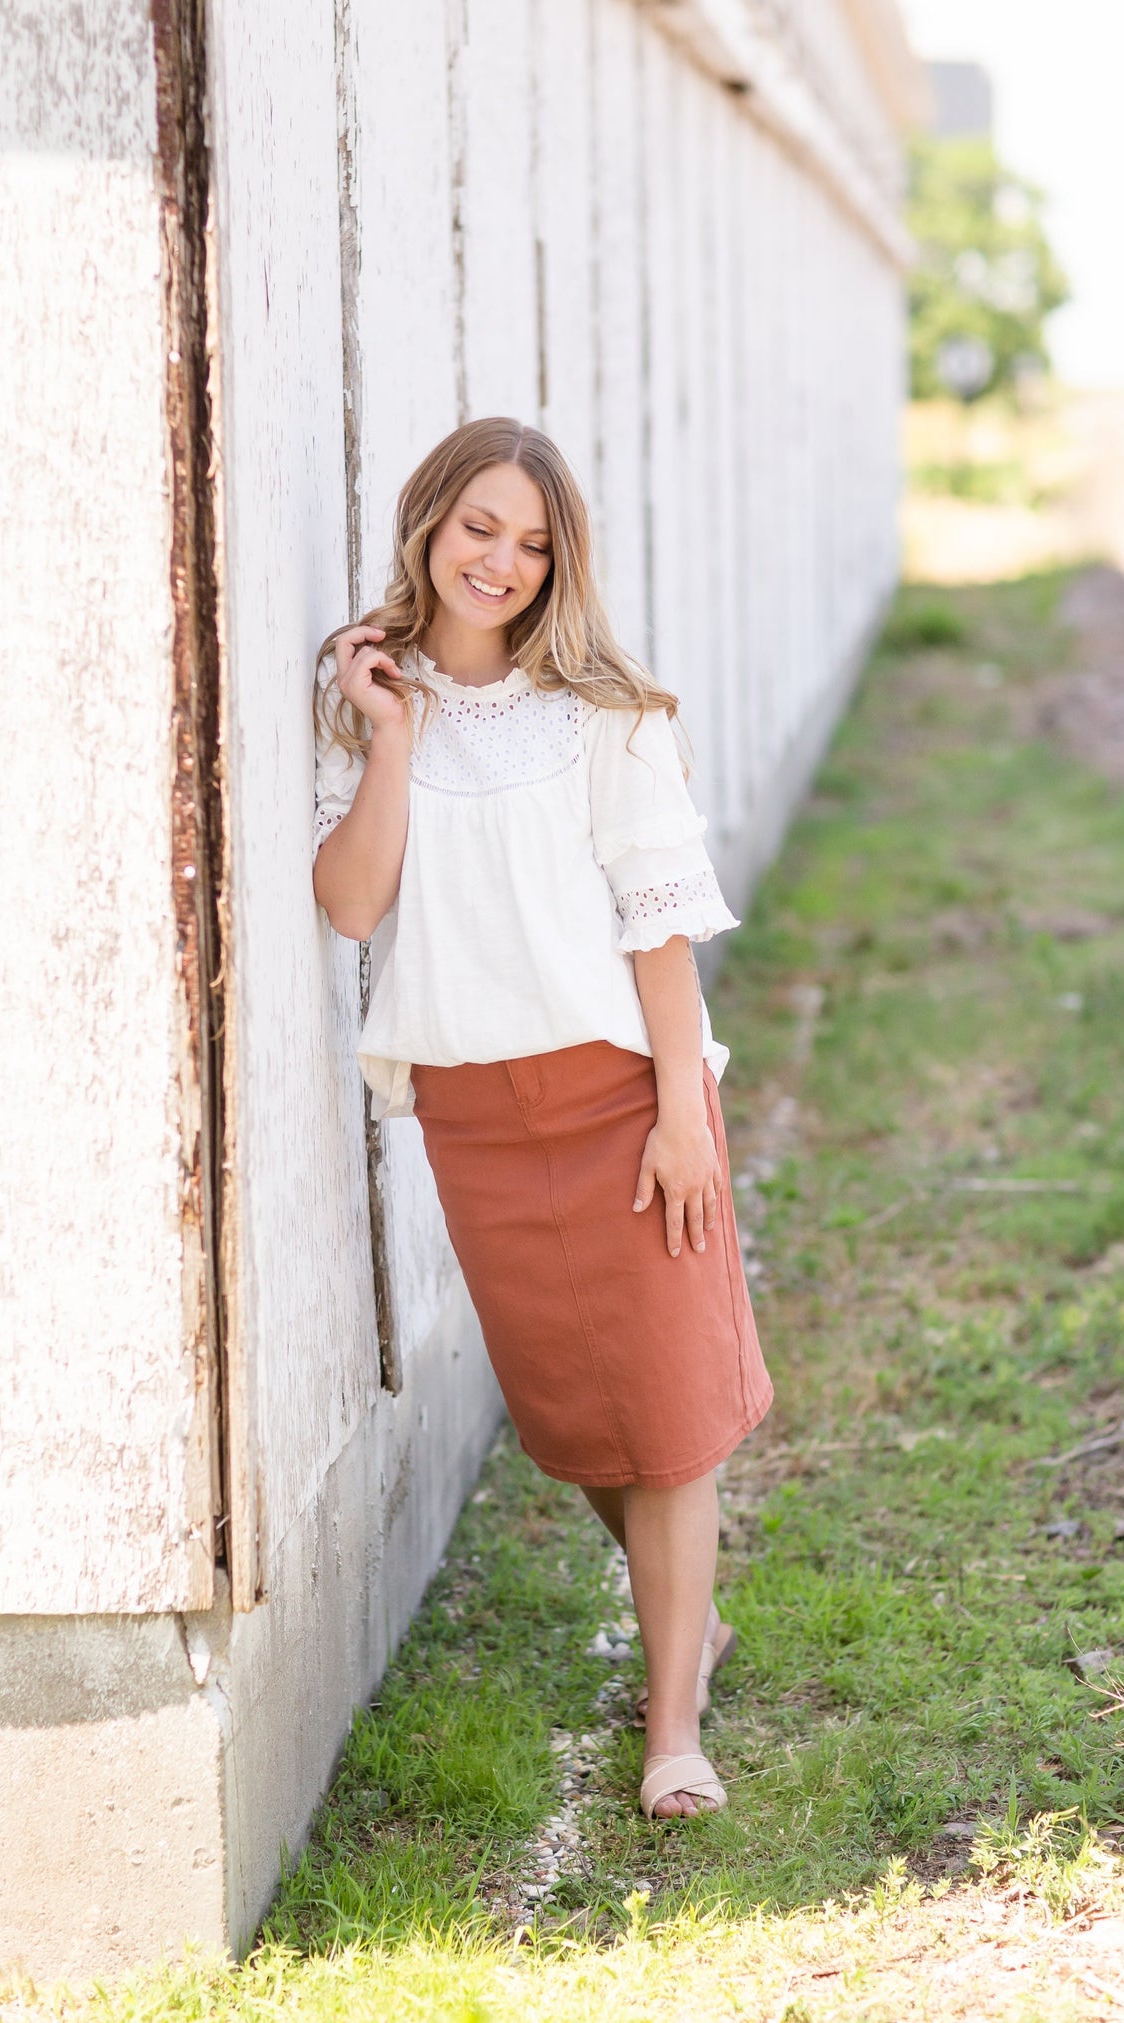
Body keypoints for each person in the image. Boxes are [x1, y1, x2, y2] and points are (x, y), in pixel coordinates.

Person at [312, 416, 771, 1820]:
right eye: (478, 530)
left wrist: (683, 1114)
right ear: (427, 525)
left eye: (530, 541)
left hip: (620, 1098)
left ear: (557, 560)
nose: (500, 562)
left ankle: (671, 1720)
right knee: (578, 1414)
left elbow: (656, 928)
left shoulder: (608, 718)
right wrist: (391, 738)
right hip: (475, 1120)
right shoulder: (371, 695)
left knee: (670, 1415)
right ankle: (682, 1608)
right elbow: (349, 903)